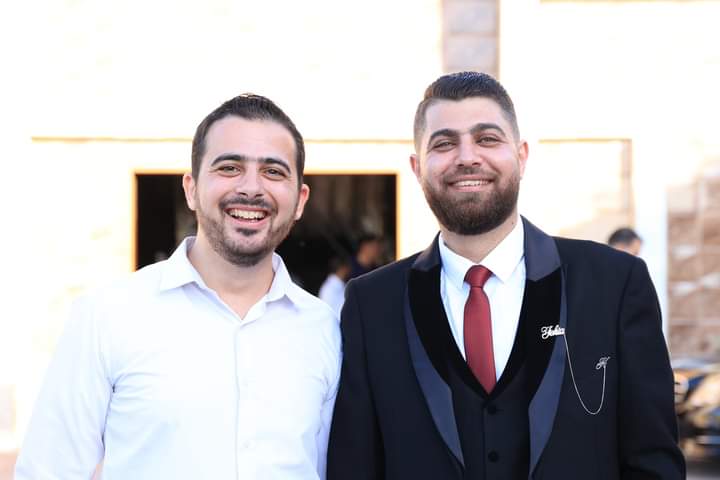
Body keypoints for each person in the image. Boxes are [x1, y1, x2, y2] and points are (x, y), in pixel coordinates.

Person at [327, 72, 684, 479]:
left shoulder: (615, 283)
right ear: (417, 167)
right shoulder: (371, 303)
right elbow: (355, 466)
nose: (467, 157)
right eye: (444, 144)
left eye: (487, 139)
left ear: (522, 156)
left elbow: (653, 463)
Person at [16, 94, 341, 479]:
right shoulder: (107, 316)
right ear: (191, 188)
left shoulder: (326, 330)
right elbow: (47, 471)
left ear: (300, 200)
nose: (251, 188)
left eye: (273, 171)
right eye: (230, 167)